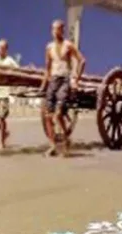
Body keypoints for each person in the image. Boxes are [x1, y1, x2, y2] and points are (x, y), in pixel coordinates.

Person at [41, 19, 86, 156]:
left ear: (62, 30)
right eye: (54, 29)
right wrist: (43, 85)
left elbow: (82, 60)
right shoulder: (49, 47)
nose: (56, 31)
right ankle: (53, 146)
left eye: (58, 29)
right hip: (53, 81)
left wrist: (76, 80)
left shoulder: (68, 45)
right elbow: (47, 68)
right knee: (48, 116)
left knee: (59, 113)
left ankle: (66, 137)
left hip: (65, 80)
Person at [0, 39, 19, 149]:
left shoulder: (9, 61)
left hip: (4, 94)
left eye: (1, 48)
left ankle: (2, 142)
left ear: (6, 49)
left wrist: (10, 75)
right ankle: (5, 133)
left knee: (2, 118)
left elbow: (18, 71)